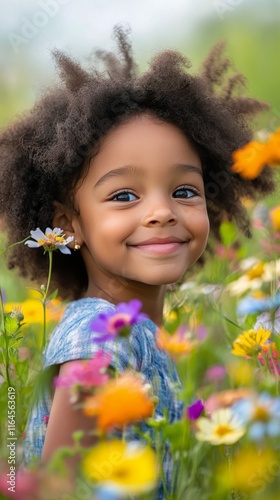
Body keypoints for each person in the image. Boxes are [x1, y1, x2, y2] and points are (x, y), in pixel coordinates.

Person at [0, 26, 275, 497]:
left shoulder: (144, 337)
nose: (162, 212)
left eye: (184, 191)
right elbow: (55, 489)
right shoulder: (95, 342)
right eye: (124, 195)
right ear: (70, 225)